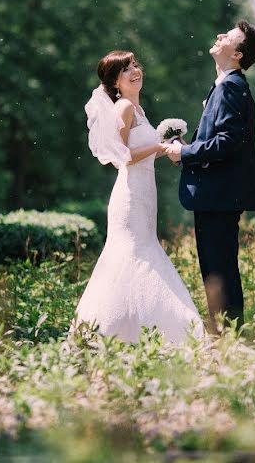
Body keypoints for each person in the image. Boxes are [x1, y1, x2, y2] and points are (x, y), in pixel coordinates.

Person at [74, 51, 204, 343]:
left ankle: (136, 332)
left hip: (146, 193)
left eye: (135, 65)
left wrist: (170, 147)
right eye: (125, 69)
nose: (135, 71)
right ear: (116, 82)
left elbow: (142, 154)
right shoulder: (123, 108)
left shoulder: (139, 110)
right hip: (130, 195)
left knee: (143, 251)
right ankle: (120, 333)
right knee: (132, 254)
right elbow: (125, 157)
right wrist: (159, 147)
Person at [164, 21, 255, 333]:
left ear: (237, 54)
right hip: (219, 194)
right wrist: (186, 148)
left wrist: (185, 154)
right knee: (218, 267)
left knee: (219, 270)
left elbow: (228, 142)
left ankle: (226, 340)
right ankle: (224, 337)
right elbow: (221, 140)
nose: (221, 36)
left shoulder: (232, 86)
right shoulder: (225, 84)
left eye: (229, 37)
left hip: (220, 196)